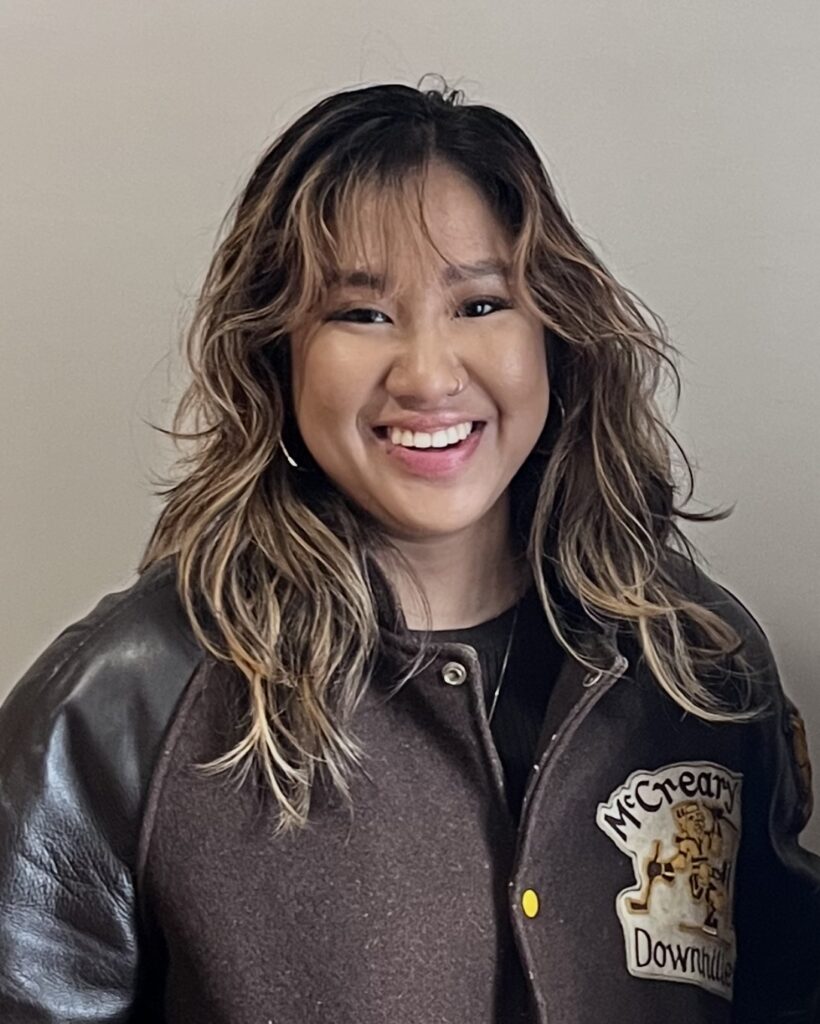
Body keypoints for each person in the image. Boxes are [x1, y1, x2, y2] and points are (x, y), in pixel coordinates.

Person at [0, 79, 818, 1024]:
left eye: (480, 304)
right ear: (279, 355)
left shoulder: (697, 666)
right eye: (361, 314)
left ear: (555, 337)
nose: (429, 374)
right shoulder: (126, 703)